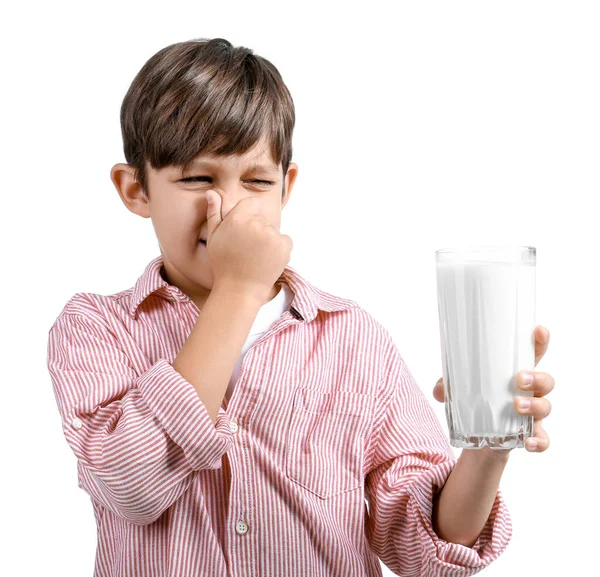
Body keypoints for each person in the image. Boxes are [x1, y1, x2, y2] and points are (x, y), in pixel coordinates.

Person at [47, 37, 529, 577]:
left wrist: (489, 448)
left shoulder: (352, 337)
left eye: (256, 181)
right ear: (136, 189)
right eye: (198, 179)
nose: (228, 208)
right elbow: (131, 484)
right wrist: (237, 290)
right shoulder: (97, 328)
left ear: (286, 187)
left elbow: (422, 547)